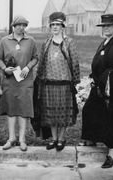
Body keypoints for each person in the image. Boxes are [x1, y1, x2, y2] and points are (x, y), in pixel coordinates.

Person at [81, 14, 113, 168]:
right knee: (90, 109)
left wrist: (108, 81)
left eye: (109, 26)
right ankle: (93, 138)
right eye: (104, 26)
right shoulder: (104, 42)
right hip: (99, 85)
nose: (106, 29)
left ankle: (112, 154)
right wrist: (95, 77)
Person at [34, 12, 80, 151]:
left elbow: (75, 63)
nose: (55, 27)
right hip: (49, 83)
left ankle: (62, 138)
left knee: (64, 113)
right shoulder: (46, 43)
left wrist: (75, 81)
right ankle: (54, 139)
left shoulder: (69, 42)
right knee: (51, 113)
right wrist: (39, 79)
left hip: (64, 83)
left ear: (63, 26)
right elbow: (41, 62)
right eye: (52, 25)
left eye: (57, 25)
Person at [0, 15, 38, 151]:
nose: (21, 27)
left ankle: (22, 139)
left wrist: (27, 67)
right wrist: (4, 68)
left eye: (24, 25)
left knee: (23, 108)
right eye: (18, 25)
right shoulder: (4, 41)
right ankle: (11, 138)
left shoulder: (30, 40)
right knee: (11, 108)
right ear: (13, 26)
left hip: (25, 80)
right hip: (10, 80)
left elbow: (35, 58)